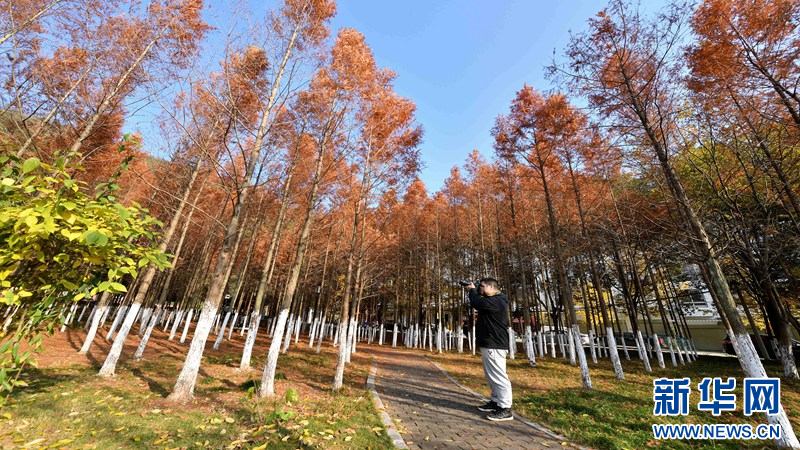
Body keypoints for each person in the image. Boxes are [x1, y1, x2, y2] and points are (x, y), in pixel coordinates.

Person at [464, 278, 513, 422]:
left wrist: (471, 290)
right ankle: (495, 402)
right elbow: (478, 302)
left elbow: (477, 303)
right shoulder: (492, 300)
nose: (479, 288)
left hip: (495, 344)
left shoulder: (498, 300)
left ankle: (505, 408)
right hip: (489, 343)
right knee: (491, 375)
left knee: (498, 375)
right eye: (478, 286)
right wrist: (473, 291)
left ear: (492, 287)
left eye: (482, 286)